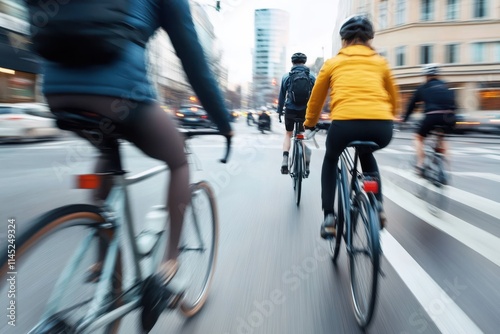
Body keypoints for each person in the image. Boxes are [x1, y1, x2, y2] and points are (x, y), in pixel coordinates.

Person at [37, 0, 232, 329]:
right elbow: (193, 60)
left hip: (57, 90)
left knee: (106, 152)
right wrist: (223, 122)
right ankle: (171, 264)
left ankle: (102, 263)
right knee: (178, 161)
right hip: (119, 94)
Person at [304, 15, 399, 238]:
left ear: (344, 41)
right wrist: (389, 116)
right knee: (367, 154)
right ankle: (377, 206)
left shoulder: (333, 63)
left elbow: (316, 99)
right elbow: (394, 97)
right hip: (381, 128)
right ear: (369, 41)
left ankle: (329, 218)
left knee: (331, 158)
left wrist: (310, 123)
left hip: (345, 126)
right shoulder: (380, 62)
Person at [402, 63, 457, 176]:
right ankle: (445, 167)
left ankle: (420, 164)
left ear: (425, 75)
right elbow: (454, 103)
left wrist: (405, 119)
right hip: (449, 117)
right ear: (437, 75)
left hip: (432, 116)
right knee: (442, 138)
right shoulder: (446, 86)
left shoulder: (423, 88)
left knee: (418, 137)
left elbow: (412, 105)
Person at [277, 52, 316, 176]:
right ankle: (306, 159)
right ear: (304, 62)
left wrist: (279, 111)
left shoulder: (286, 77)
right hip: (305, 111)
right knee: (302, 134)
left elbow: (282, 96)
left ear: (292, 63)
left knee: (288, 134)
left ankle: (285, 158)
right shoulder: (311, 77)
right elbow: (316, 96)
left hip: (290, 110)